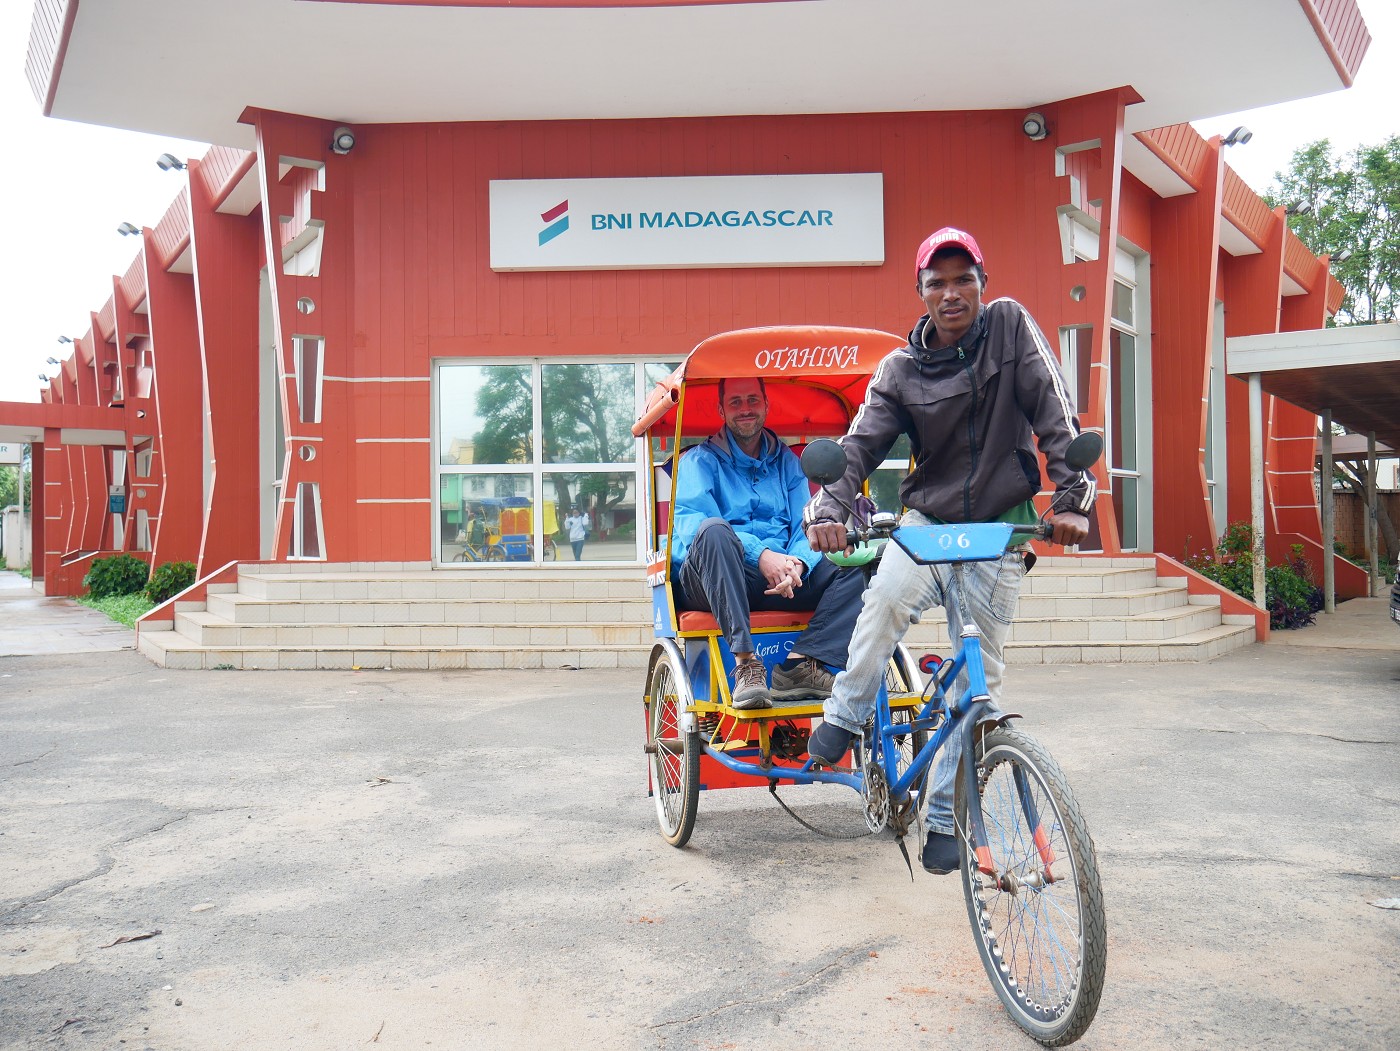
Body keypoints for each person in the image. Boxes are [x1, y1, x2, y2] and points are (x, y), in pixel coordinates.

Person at [803, 227, 1094, 875]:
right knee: (883, 598)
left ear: (983, 286)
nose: (952, 291)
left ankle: (941, 817)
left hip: (1000, 529)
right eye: (938, 281)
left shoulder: (1012, 330)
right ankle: (847, 713)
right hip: (927, 523)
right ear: (921, 293)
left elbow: (1056, 414)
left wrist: (1073, 497)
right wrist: (828, 509)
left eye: (965, 278)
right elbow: (856, 448)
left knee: (977, 689)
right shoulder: (900, 369)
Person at [670, 376, 867, 709]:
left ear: (765, 405)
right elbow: (693, 530)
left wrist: (797, 562)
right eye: (735, 402)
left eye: (752, 400)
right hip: (713, 576)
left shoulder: (788, 461)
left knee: (858, 563)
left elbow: (806, 523)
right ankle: (746, 664)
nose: (745, 409)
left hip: (781, 577)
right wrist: (761, 555)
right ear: (721, 410)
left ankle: (802, 662)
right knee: (714, 530)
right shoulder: (698, 462)